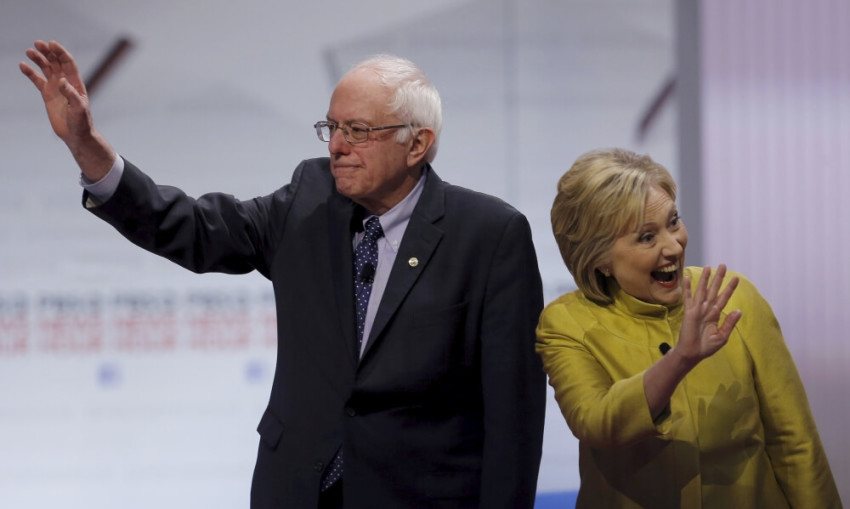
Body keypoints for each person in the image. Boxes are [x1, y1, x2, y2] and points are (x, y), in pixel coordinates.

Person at [20, 40, 547, 509]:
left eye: (358, 131)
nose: (337, 146)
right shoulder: (309, 199)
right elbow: (191, 228)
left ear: (416, 143)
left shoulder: (489, 236)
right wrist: (86, 146)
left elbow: (514, 416)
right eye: (332, 128)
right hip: (295, 488)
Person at [536, 148, 841, 508]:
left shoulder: (734, 297)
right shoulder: (566, 322)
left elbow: (795, 442)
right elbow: (597, 423)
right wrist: (680, 359)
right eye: (647, 237)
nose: (674, 245)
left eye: (674, 222)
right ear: (599, 257)